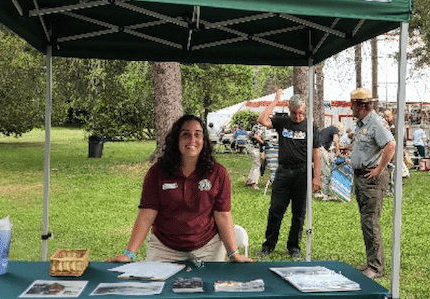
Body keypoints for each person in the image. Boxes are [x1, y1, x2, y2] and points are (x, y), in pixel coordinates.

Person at [108, 114, 252, 264]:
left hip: (208, 247)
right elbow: (146, 214)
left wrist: (234, 253)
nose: (192, 140)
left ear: (204, 140)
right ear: (176, 139)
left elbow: (222, 215)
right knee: (160, 287)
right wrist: (128, 254)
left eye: (197, 134)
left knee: (209, 287)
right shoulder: (157, 172)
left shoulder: (218, 173)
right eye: (185, 134)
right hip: (164, 248)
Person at [256, 88, 321, 259]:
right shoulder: (282, 122)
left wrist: (317, 177)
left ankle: (294, 246)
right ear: (288, 109)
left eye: (301, 113)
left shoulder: (310, 125)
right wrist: (276, 100)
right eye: (295, 113)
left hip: (303, 172)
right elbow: (262, 119)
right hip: (283, 171)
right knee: (276, 210)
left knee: (298, 213)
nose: (298, 116)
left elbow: (317, 152)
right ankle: (269, 245)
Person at [349, 88, 395, 279]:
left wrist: (379, 169)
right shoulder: (362, 124)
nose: (351, 108)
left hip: (371, 178)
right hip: (361, 176)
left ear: (361, 106)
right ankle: (371, 262)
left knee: (370, 221)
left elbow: (390, 145)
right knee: (366, 220)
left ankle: (376, 267)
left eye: (353, 104)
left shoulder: (376, 123)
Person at [316, 122, 343, 200]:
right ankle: (326, 195)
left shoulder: (326, 129)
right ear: (338, 127)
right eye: (341, 129)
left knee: (321, 171)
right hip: (321, 150)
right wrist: (338, 152)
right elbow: (336, 141)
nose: (341, 131)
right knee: (326, 172)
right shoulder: (334, 129)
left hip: (317, 150)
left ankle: (319, 192)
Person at [245, 121, 267, 189]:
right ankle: (254, 183)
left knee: (255, 164)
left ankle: (250, 180)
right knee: (258, 165)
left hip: (250, 146)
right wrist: (263, 142)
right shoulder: (261, 126)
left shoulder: (258, 125)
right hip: (254, 147)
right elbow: (256, 136)